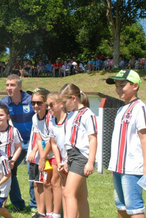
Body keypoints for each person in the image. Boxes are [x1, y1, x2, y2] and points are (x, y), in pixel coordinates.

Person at [106, 69, 146, 218]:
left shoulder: (140, 108)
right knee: (121, 206)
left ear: (135, 86)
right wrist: (113, 164)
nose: (118, 89)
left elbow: (144, 137)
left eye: (122, 85)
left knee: (135, 208)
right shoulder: (121, 109)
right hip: (118, 167)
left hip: (132, 167)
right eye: (117, 86)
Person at [59, 83, 97, 218]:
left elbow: (92, 139)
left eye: (65, 101)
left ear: (74, 98)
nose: (63, 105)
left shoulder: (88, 114)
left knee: (68, 193)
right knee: (80, 195)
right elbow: (70, 141)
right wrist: (66, 160)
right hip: (72, 156)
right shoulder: (71, 115)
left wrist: (90, 162)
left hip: (81, 157)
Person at [0, 74, 36, 212]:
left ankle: (35, 206)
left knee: (33, 173)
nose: (9, 88)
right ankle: (18, 204)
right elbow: (1, 121)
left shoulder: (31, 100)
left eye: (12, 85)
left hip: (34, 142)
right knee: (10, 169)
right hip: (17, 144)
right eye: (7, 85)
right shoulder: (4, 102)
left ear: (20, 86)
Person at [0, 105, 22, 215]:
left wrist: (13, 160)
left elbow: (19, 147)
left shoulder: (13, 131)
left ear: (7, 116)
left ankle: (2, 208)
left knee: (8, 185)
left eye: (1, 115)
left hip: (9, 162)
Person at [27, 88, 50, 218]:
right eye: (33, 103)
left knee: (47, 184)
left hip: (49, 156)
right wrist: (36, 153)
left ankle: (49, 211)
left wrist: (43, 157)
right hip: (39, 156)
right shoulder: (35, 117)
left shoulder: (50, 117)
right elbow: (38, 138)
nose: (36, 105)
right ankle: (40, 211)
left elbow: (50, 139)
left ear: (46, 103)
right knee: (36, 183)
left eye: (39, 102)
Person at [44, 92, 68, 218]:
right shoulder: (52, 120)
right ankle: (55, 214)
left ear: (61, 104)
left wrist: (66, 161)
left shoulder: (70, 119)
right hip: (59, 158)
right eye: (47, 105)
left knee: (69, 191)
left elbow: (73, 143)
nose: (49, 108)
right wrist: (59, 162)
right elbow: (53, 143)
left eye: (51, 105)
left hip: (71, 159)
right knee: (55, 182)